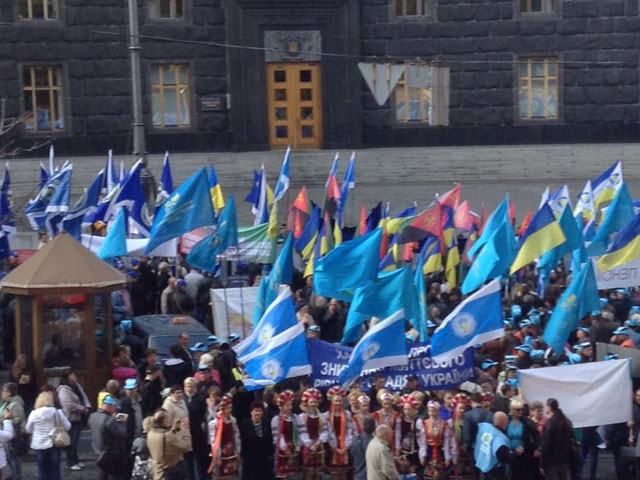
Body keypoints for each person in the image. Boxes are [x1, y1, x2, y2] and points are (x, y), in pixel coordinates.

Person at [25, 391, 71, 480]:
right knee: (55, 469)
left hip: (38, 445)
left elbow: (28, 429)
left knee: (42, 469)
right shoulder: (57, 412)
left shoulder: (33, 413)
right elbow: (68, 426)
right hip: (53, 443)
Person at [57, 370, 91, 471]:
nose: (75, 376)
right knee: (71, 441)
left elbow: (83, 396)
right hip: (71, 418)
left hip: (79, 417)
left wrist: (87, 406)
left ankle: (76, 460)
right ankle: (70, 462)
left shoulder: (77, 386)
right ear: (67, 377)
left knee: (75, 441)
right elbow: (67, 404)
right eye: (72, 375)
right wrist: (82, 408)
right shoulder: (63, 390)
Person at [88, 394, 129, 480]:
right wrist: (122, 423)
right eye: (114, 407)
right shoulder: (110, 420)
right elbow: (122, 434)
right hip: (110, 453)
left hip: (97, 450)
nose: (115, 409)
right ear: (109, 406)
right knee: (112, 475)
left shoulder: (93, 416)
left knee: (101, 474)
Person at [147, 408, 192, 480]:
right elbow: (186, 447)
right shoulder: (167, 436)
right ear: (163, 421)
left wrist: (173, 430)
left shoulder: (151, 433)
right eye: (168, 418)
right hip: (171, 471)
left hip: (158, 470)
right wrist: (185, 430)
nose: (170, 420)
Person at [417, 400, 454, 480]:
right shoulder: (424, 423)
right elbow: (422, 441)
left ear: (438, 411)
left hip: (440, 452)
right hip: (429, 451)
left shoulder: (444, 424)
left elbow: (446, 442)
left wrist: (447, 457)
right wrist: (422, 455)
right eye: (430, 411)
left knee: (440, 475)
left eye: (433, 411)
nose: (431, 413)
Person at [297, 388, 328, 480]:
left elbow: (325, 431)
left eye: (315, 402)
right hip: (307, 448)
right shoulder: (301, 417)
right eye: (311, 402)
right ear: (307, 403)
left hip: (319, 447)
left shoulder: (322, 417)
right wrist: (310, 445)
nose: (313, 404)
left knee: (318, 473)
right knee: (308, 473)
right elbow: (301, 433)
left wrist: (318, 443)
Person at [208, 394, 240, 479]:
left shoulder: (232, 421)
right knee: (220, 475)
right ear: (223, 409)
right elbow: (213, 440)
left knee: (231, 475)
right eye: (228, 408)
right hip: (220, 453)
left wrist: (237, 450)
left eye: (231, 408)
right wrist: (216, 455)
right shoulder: (215, 423)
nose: (230, 410)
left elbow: (236, 436)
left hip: (231, 451)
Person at [239, 401, 274, 480]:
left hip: (264, 458)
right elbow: (243, 441)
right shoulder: (245, 424)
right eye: (256, 411)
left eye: (260, 411)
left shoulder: (266, 423)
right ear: (251, 412)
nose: (258, 413)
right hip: (250, 458)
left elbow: (269, 440)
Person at [541, 398, 574, 480]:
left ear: (549, 407)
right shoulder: (566, 421)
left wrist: (542, 463)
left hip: (552, 460)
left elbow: (546, 444)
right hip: (564, 459)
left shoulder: (550, 423)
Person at [325, 386, 354, 480]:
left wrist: (346, 446)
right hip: (333, 447)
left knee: (344, 473)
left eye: (340, 401)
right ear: (332, 401)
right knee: (335, 474)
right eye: (336, 401)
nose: (338, 403)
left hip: (344, 446)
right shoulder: (327, 415)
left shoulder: (347, 414)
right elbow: (327, 432)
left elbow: (350, 430)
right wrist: (334, 447)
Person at [506, 399, 539, 480]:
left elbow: (537, 435)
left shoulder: (527, 422)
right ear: (512, 410)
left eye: (521, 409)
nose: (520, 411)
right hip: (511, 453)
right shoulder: (507, 421)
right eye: (518, 410)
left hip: (525, 453)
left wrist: (538, 448)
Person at [473, 411, 512, 480]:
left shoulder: (484, 426)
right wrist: (514, 454)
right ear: (503, 422)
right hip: (494, 470)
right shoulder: (500, 438)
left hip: (482, 463)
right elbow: (502, 456)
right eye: (507, 421)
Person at [271, 389, 299, 479]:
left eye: (290, 405)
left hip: (292, 448)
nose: (290, 407)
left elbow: (298, 433)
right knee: (283, 476)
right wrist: (285, 449)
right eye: (287, 405)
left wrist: (297, 447)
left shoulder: (295, 418)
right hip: (282, 451)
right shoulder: (276, 419)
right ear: (282, 406)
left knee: (290, 475)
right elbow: (277, 437)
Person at [0, 383, 24, 480]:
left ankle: (16, 476)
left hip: (11, 433)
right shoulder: (6, 403)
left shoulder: (15, 403)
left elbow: (19, 419)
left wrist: (6, 420)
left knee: (12, 456)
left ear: (9, 392)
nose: (2, 393)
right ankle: (14, 474)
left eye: (4, 391)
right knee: (9, 456)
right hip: (4, 432)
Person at [351, 416, 375, 480]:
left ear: (363, 426)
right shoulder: (376, 442)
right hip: (371, 476)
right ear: (374, 427)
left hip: (358, 475)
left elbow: (352, 456)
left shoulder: (355, 440)